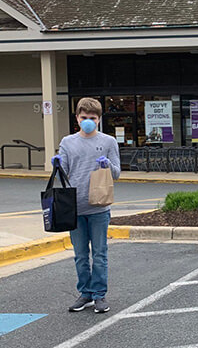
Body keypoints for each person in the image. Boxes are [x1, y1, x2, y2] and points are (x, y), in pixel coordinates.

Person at [51, 97, 121, 314]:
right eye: (84, 117)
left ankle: (100, 295)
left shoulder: (109, 142)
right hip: (75, 207)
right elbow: (62, 172)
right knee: (80, 255)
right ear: (77, 118)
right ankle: (85, 293)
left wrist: (107, 165)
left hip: (99, 207)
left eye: (92, 118)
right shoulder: (67, 142)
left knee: (100, 253)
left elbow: (117, 174)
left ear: (99, 119)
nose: (88, 121)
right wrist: (57, 164)